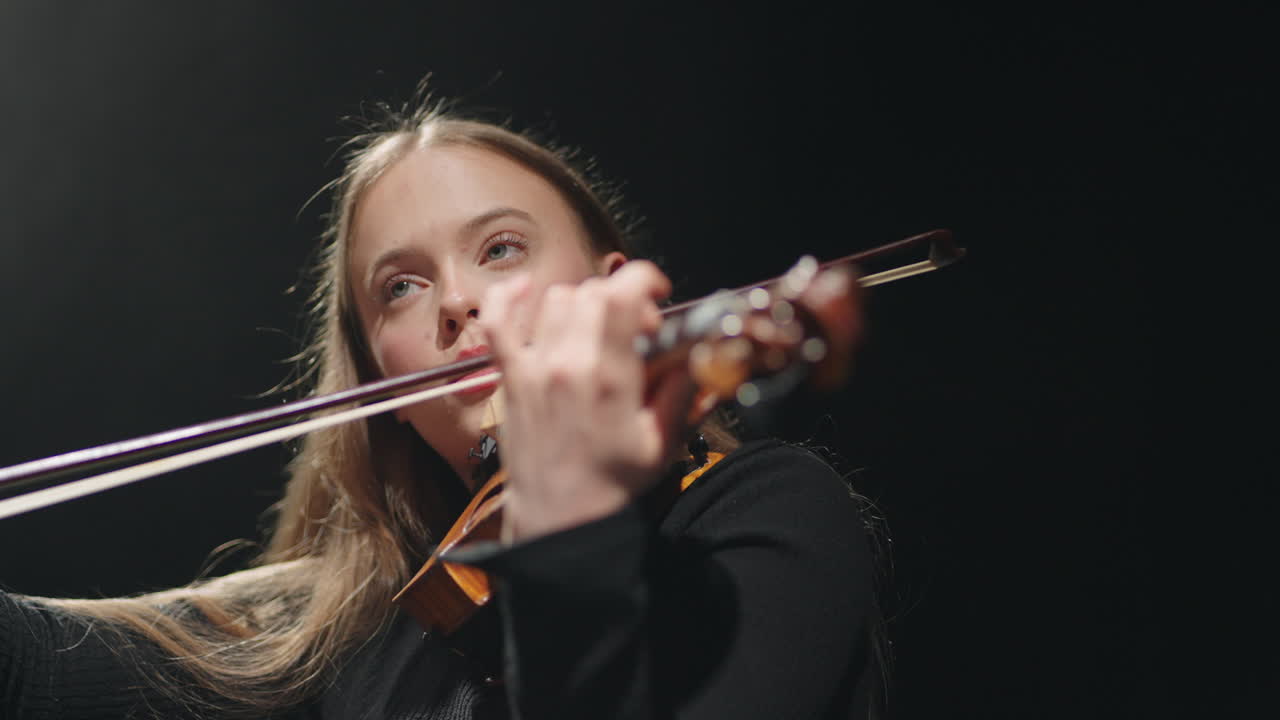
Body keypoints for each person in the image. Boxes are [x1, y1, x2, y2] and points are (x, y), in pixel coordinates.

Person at [0, 97, 882, 719]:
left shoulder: (761, 515)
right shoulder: (344, 632)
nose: (457, 302)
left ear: (617, 296)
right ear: (383, 388)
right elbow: (33, 672)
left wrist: (567, 505)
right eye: (402, 287)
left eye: (501, 248)